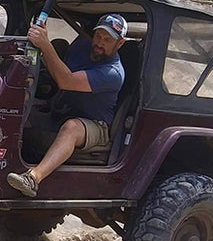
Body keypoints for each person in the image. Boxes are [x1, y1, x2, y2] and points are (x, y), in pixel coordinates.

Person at [7, 14, 128, 197]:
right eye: (98, 36)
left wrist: (45, 43)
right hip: (64, 109)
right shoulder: (81, 47)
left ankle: (33, 179)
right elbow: (57, 70)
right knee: (19, 110)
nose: (100, 43)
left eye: (107, 40)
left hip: (96, 125)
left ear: (119, 44)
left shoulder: (113, 73)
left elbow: (66, 80)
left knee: (71, 127)